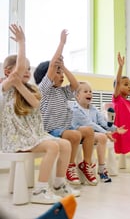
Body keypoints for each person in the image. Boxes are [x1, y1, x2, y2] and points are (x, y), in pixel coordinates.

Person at [0, 24, 79, 204]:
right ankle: (40, 190)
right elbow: (18, 71)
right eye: (23, 68)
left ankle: (59, 184)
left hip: (33, 135)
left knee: (65, 144)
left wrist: (19, 84)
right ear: (7, 72)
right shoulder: (4, 89)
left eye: (29, 69)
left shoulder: (30, 88)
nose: (26, 71)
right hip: (16, 138)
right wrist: (22, 42)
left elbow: (35, 103)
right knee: (52, 147)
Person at [33, 30, 97, 186]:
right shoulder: (44, 89)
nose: (62, 76)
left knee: (88, 131)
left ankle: (85, 164)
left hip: (66, 128)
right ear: (47, 76)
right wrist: (61, 44)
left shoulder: (62, 91)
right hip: (50, 130)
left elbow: (76, 86)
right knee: (74, 135)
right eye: (58, 73)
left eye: (62, 73)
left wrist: (64, 68)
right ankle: (70, 166)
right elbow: (52, 66)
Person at [71, 81, 127, 182]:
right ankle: (99, 168)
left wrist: (115, 129)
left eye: (90, 91)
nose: (89, 93)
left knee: (101, 137)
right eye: (86, 91)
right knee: (102, 136)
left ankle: (101, 168)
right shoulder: (75, 110)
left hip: (92, 135)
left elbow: (103, 122)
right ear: (77, 96)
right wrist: (105, 133)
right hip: (79, 135)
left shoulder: (93, 109)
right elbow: (90, 124)